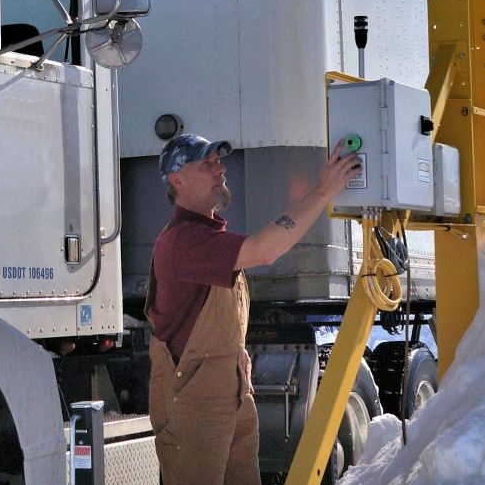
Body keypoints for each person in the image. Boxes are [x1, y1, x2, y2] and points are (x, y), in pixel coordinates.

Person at [146, 133, 364, 484]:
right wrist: (323, 190)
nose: (220, 170)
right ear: (177, 180)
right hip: (195, 402)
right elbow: (265, 250)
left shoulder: (208, 237)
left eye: (219, 161)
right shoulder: (184, 240)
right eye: (207, 163)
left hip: (229, 394)